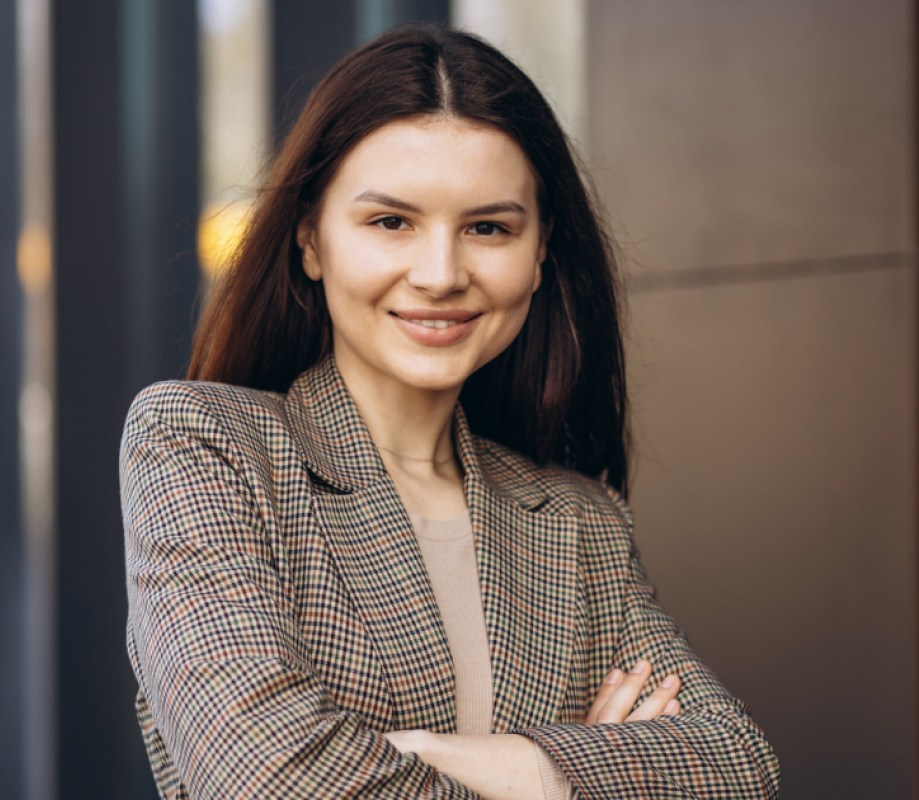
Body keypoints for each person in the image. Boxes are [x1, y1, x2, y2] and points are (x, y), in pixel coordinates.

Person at [120, 25, 780, 800]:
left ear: (540, 255)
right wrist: (585, 769)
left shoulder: (579, 521)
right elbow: (269, 779)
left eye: (488, 228)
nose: (440, 274)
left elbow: (736, 764)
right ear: (311, 239)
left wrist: (526, 765)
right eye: (391, 222)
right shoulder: (203, 446)